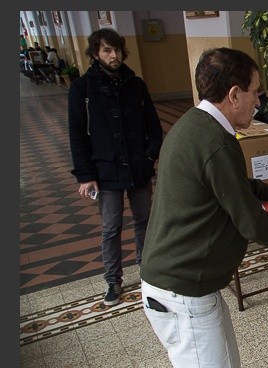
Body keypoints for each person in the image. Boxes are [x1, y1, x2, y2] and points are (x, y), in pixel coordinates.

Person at [139, 47, 268, 368]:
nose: (259, 101)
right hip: (181, 287)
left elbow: (225, 185)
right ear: (233, 95)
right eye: (255, 92)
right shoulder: (214, 140)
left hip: (192, 282)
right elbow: (250, 222)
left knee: (223, 364)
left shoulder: (198, 127)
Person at [68, 28, 163, 306]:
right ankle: (113, 280)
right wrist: (85, 176)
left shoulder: (136, 84)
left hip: (138, 167)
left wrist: (149, 156)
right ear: (96, 54)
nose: (114, 55)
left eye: (117, 50)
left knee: (144, 220)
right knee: (111, 227)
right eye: (108, 50)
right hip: (105, 172)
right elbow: (77, 135)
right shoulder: (82, 88)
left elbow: (154, 127)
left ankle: (147, 271)